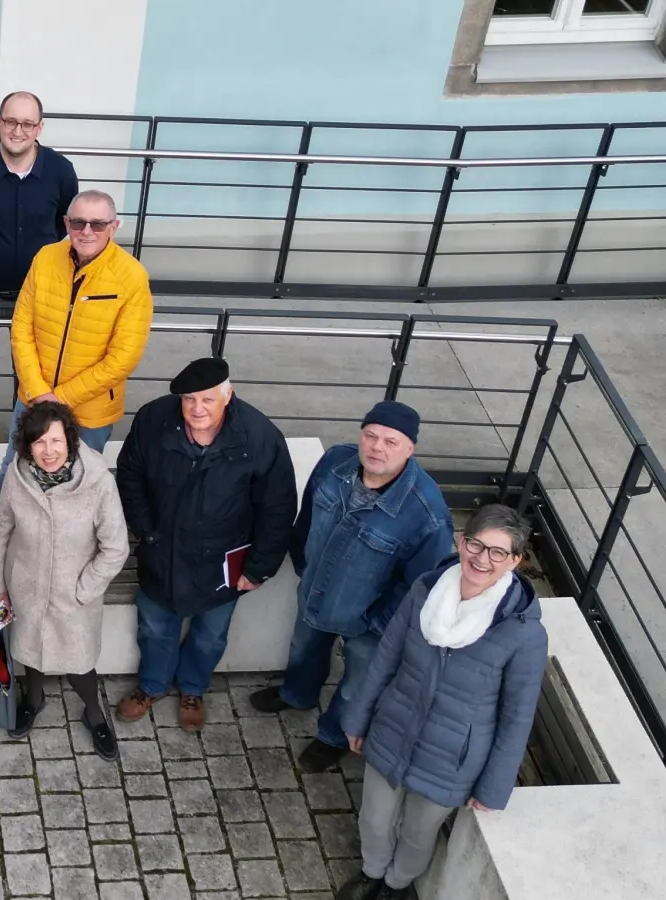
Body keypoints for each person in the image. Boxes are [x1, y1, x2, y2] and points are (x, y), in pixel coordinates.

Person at [339, 505, 546, 900]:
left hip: (452, 757)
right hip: (393, 728)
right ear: (461, 541)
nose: (482, 559)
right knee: (375, 818)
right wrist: (357, 718)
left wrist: (493, 786)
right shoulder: (425, 590)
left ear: (516, 561)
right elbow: (387, 656)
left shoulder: (524, 634)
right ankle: (372, 873)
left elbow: (516, 717)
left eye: (498, 552)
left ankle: (397, 886)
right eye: (476, 544)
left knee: (419, 834)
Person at [249, 401, 454, 773]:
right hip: (316, 589)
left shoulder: (427, 513)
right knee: (304, 647)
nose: (377, 447)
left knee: (357, 683)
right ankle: (297, 695)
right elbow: (308, 513)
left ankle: (334, 735)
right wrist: (303, 565)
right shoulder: (335, 462)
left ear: (410, 450)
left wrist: (376, 621)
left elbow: (421, 583)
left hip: (369, 620)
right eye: (371, 436)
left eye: (391, 442)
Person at [113, 358, 297, 732]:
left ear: (227, 396)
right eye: (189, 399)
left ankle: (193, 689)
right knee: (154, 627)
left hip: (221, 562)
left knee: (211, 634)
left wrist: (259, 567)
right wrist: (146, 528)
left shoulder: (260, 438)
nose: (197, 409)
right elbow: (129, 473)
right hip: (162, 552)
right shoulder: (153, 420)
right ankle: (152, 686)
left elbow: (278, 509)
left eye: (207, 400)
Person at [0, 402, 129, 760]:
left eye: (55, 441)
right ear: (27, 446)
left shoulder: (98, 482)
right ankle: (33, 700)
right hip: (25, 589)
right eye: (39, 443)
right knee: (28, 649)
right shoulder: (18, 478)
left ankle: (94, 713)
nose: (48, 451)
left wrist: (85, 588)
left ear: (70, 439)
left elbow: (115, 547)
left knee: (79, 662)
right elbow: (2, 530)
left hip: (74, 596)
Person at [0, 189, 152, 487]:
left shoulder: (132, 276)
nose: (86, 231)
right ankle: (8, 533)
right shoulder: (45, 258)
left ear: (114, 226)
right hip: (33, 397)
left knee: (79, 482)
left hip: (90, 411)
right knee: (16, 470)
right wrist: (37, 391)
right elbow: (21, 328)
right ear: (66, 222)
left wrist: (59, 400)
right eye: (78, 223)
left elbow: (123, 358)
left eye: (98, 224)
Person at [0, 90, 78, 442]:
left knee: (30, 369)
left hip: (37, 296)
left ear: (39, 128)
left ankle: (23, 430)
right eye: (10, 121)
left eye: (27, 123)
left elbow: (62, 225)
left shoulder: (60, 171)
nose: (17, 130)